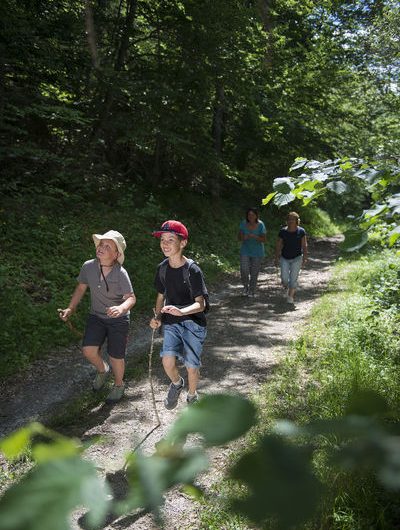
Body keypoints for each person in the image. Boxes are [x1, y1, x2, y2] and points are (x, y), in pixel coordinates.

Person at [59, 230, 136, 403]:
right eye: (101, 244)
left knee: (116, 356)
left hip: (119, 320)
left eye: (107, 246)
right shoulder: (88, 266)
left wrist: (121, 308)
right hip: (96, 316)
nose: (101, 247)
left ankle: (118, 385)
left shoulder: (120, 273)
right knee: (88, 350)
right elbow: (80, 288)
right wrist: (70, 309)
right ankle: (103, 370)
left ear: (116, 254)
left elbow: (131, 298)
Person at [149, 220, 207, 409]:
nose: (165, 243)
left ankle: (192, 396)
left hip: (193, 323)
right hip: (171, 322)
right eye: (162, 239)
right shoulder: (162, 268)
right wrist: (157, 317)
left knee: (191, 365)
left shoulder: (192, 270)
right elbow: (160, 296)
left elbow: (201, 304)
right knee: (167, 362)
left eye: (170, 239)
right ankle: (176, 383)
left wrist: (181, 311)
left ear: (182, 243)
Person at [274, 212, 308, 305]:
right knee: (284, 279)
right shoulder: (283, 231)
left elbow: (304, 245)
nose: (291, 221)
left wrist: (305, 257)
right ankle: (287, 286)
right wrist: (276, 257)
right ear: (287, 221)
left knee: (293, 278)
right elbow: (278, 245)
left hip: (297, 258)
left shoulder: (301, 231)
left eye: (293, 219)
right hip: (284, 257)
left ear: (297, 221)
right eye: (289, 219)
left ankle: (290, 296)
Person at [238, 207, 267, 297]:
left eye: (253, 215)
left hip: (257, 252)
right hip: (245, 250)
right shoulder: (243, 223)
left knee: (254, 272)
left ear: (256, 216)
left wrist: (254, 236)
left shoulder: (261, 224)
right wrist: (245, 237)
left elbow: (264, 239)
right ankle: (245, 287)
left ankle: (252, 290)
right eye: (249, 215)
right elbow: (239, 237)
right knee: (244, 270)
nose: (251, 216)